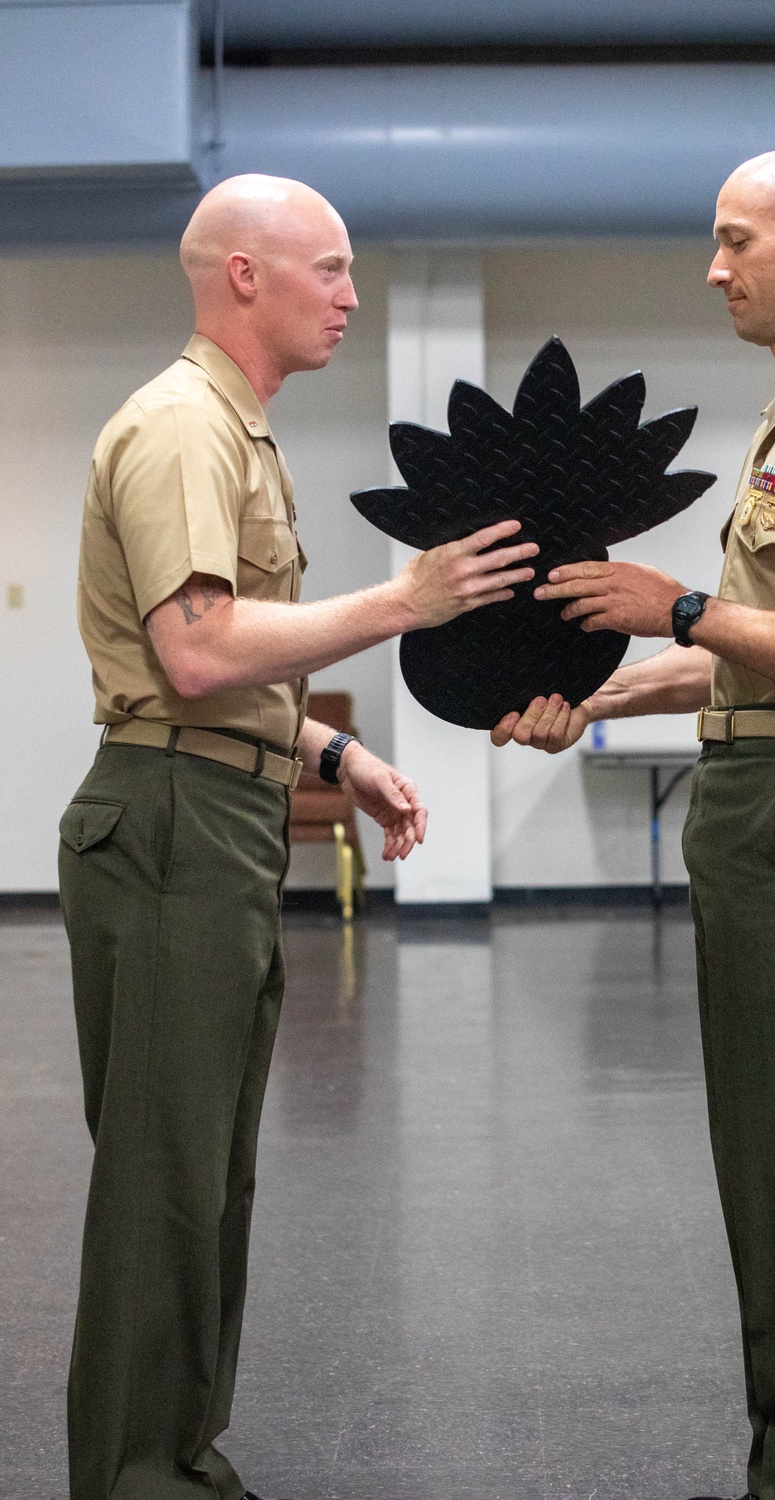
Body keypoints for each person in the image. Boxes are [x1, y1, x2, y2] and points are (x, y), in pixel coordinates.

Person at [58, 173, 538, 1500]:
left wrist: (332, 752)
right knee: (165, 1181)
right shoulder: (179, 429)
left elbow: (222, 670)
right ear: (244, 276)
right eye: (328, 268)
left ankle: (179, 1457)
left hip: (215, 805)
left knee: (209, 1176)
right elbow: (197, 651)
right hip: (166, 822)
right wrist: (406, 601)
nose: (351, 293)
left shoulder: (237, 434)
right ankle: (136, 1474)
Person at [493, 148, 775, 1500]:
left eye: (733, 239)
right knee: (772, 1179)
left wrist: (682, 605)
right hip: (765, 796)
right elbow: (767, 647)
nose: (713, 267)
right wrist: (604, 694)